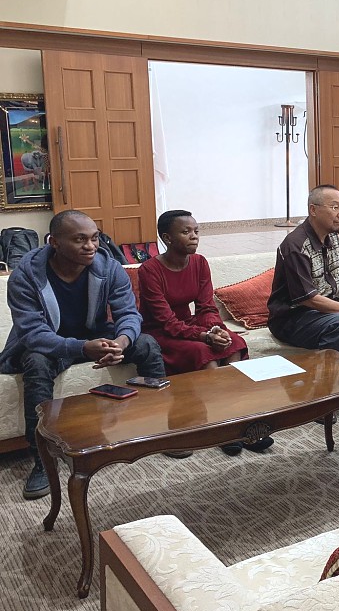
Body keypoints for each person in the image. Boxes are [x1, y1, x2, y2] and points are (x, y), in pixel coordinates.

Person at [0, 210, 165, 500]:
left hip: (95, 335)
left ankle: (162, 431)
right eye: (80, 240)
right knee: (36, 363)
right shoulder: (26, 275)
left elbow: (128, 313)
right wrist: (82, 347)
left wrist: (122, 342)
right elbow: (32, 333)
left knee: (147, 344)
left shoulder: (108, 266)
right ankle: (42, 460)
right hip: (51, 344)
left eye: (94, 238)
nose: (90, 246)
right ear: (54, 242)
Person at [139, 210, 267, 456]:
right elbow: (165, 320)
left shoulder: (199, 263)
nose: (194, 236)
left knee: (233, 343)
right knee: (203, 352)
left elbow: (206, 307)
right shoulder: (150, 269)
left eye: (196, 231)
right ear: (167, 238)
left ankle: (240, 420)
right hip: (161, 331)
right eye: (186, 232)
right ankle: (221, 428)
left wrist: (216, 329)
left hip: (190, 325)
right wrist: (204, 336)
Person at [268, 185, 339, 352]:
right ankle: (329, 368)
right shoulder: (296, 245)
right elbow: (308, 298)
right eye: (335, 207)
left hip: (325, 311)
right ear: (313, 210)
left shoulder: (334, 238)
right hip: (292, 317)